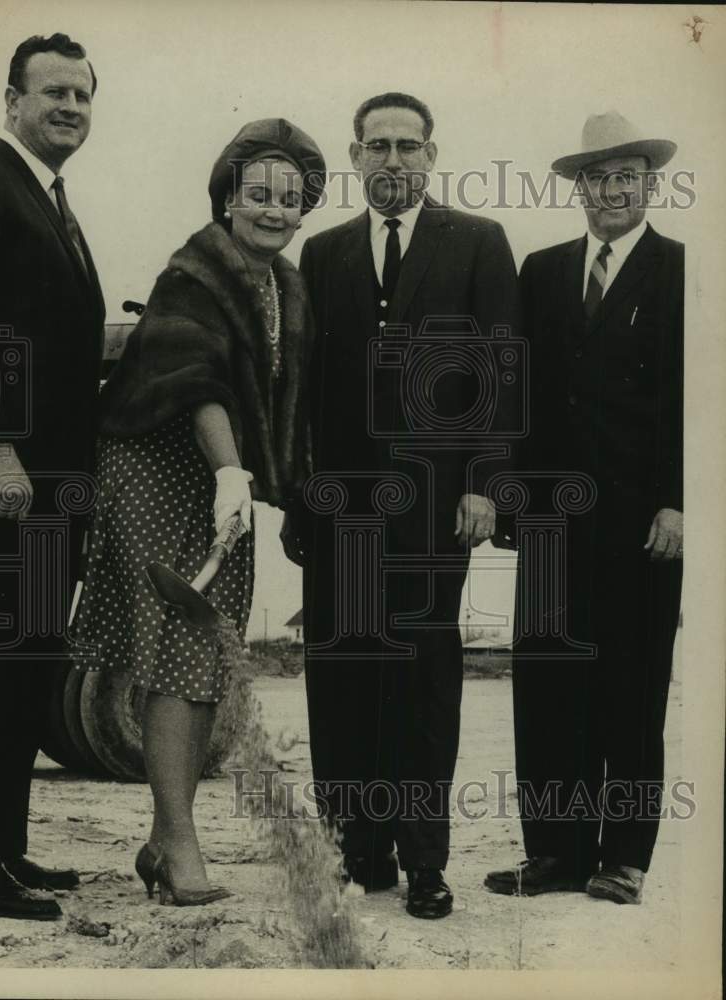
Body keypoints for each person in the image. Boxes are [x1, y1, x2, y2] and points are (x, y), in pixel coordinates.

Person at [71, 118, 325, 906]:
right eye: (258, 195)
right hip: (158, 463)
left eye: (291, 198)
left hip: (226, 476)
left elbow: (285, 400)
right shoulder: (194, 271)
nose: (274, 211)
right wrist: (228, 473)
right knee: (177, 651)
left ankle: (160, 839)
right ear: (227, 198)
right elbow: (196, 377)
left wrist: (266, 484)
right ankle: (180, 844)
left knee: (202, 653)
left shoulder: (287, 286)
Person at [284, 92, 519, 919]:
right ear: (356, 155)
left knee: (423, 673)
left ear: (431, 153)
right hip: (341, 505)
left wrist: (485, 483)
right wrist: (299, 500)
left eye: (407, 146)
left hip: (433, 506)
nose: (392, 160)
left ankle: (424, 861)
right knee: (344, 670)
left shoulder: (479, 243)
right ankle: (359, 849)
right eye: (377, 146)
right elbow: (305, 391)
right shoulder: (323, 251)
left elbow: (500, 370)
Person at [485, 111, 684, 905]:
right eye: (596, 178)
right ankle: (555, 854)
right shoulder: (541, 270)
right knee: (546, 686)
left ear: (650, 184)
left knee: (630, 691)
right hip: (549, 522)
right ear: (579, 188)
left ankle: (624, 858)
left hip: (643, 524)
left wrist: (678, 502)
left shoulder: (684, 270)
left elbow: (694, 402)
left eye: (625, 176)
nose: (610, 190)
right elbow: (517, 391)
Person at [0, 33, 105, 920]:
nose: (68, 107)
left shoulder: (52, 198)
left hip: (56, 486)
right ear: (11, 99)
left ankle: (5, 850)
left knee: (28, 661)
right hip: (10, 482)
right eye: (52, 91)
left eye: (82, 96)